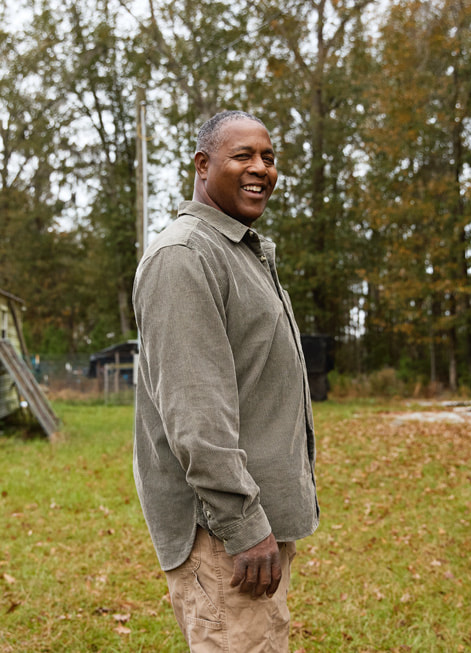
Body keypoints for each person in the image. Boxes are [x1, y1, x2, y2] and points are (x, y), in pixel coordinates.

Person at [132, 110, 319, 652]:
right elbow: (196, 413)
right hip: (226, 536)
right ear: (202, 164)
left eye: (269, 157)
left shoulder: (241, 251)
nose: (261, 167)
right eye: (243, 156)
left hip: (252, 528)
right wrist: (242, 523)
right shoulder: (185, 256)